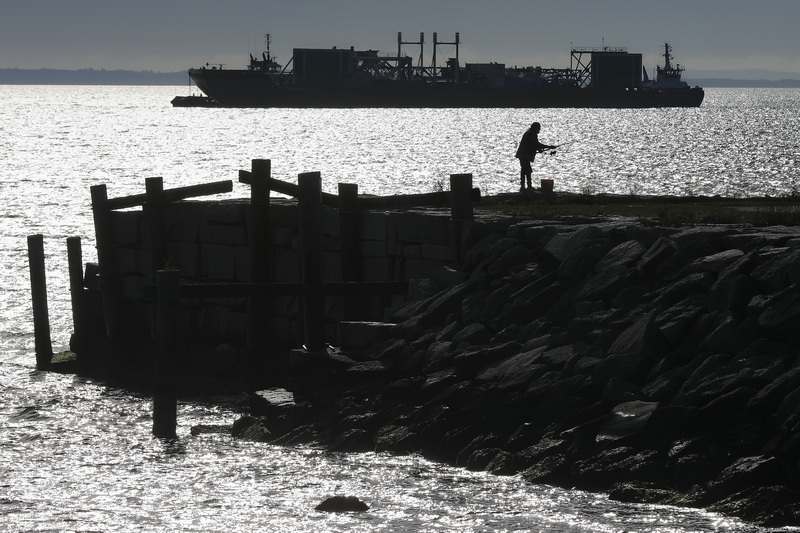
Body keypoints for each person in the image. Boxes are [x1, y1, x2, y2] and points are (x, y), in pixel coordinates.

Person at [515, 122, 556, 191]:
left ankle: (524, 186)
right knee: (527, 170)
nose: (539, 130)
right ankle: (527, 187)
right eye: (538, 129)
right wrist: (549, 147)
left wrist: (539, 149)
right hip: (524, 155)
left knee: (524, 170)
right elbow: (536, 144)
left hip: (522, 155)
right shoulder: (531, 134)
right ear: (535, 128)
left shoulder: (529, 133)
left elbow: (533, 145)